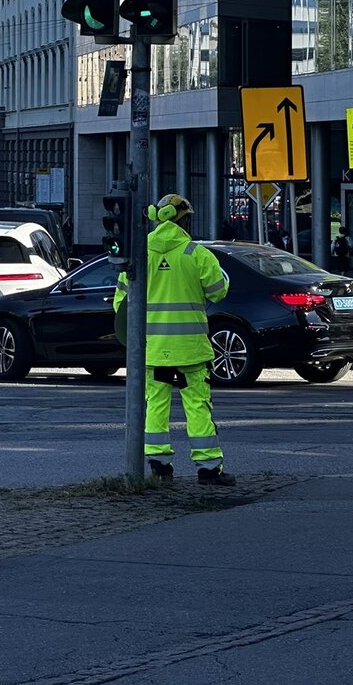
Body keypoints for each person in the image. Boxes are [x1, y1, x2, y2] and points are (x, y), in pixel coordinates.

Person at [113, 194, 234, 486]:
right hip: (190, 350)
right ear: (185, 220)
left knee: (155, 405)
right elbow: (219, 291)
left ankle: (159, 464)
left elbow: (121, 305)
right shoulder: (196, 253)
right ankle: (208, 468)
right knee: (197, 406)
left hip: (153, 350)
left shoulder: (140, 254)